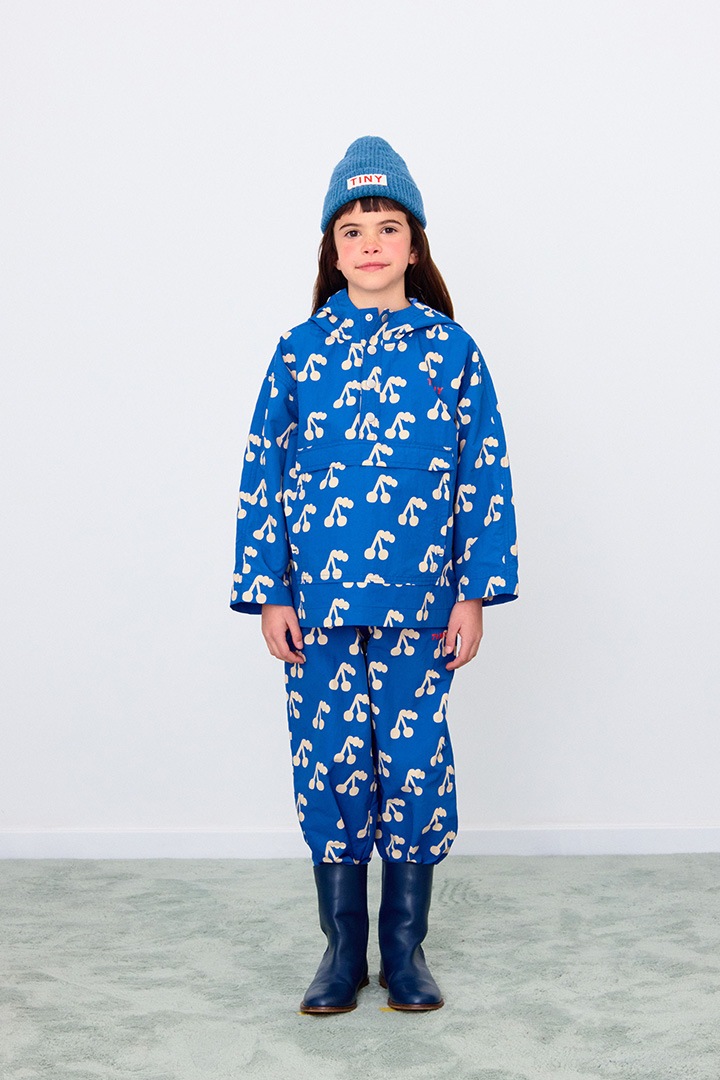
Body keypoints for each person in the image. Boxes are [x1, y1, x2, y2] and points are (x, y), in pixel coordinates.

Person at [230, 136, 519, 1014]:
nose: (369, 243)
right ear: (332, 249)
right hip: (317, 606)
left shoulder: (452, 351)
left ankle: (405, 951)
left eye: (387, 227)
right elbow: (262, 472)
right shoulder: (298, 353)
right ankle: (340, 952)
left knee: (415, 767)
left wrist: (474, 593)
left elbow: (483, 475)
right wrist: (270, 591)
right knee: (331, 767)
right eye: (351, 230)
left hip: (422, 605)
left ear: (414, 246)